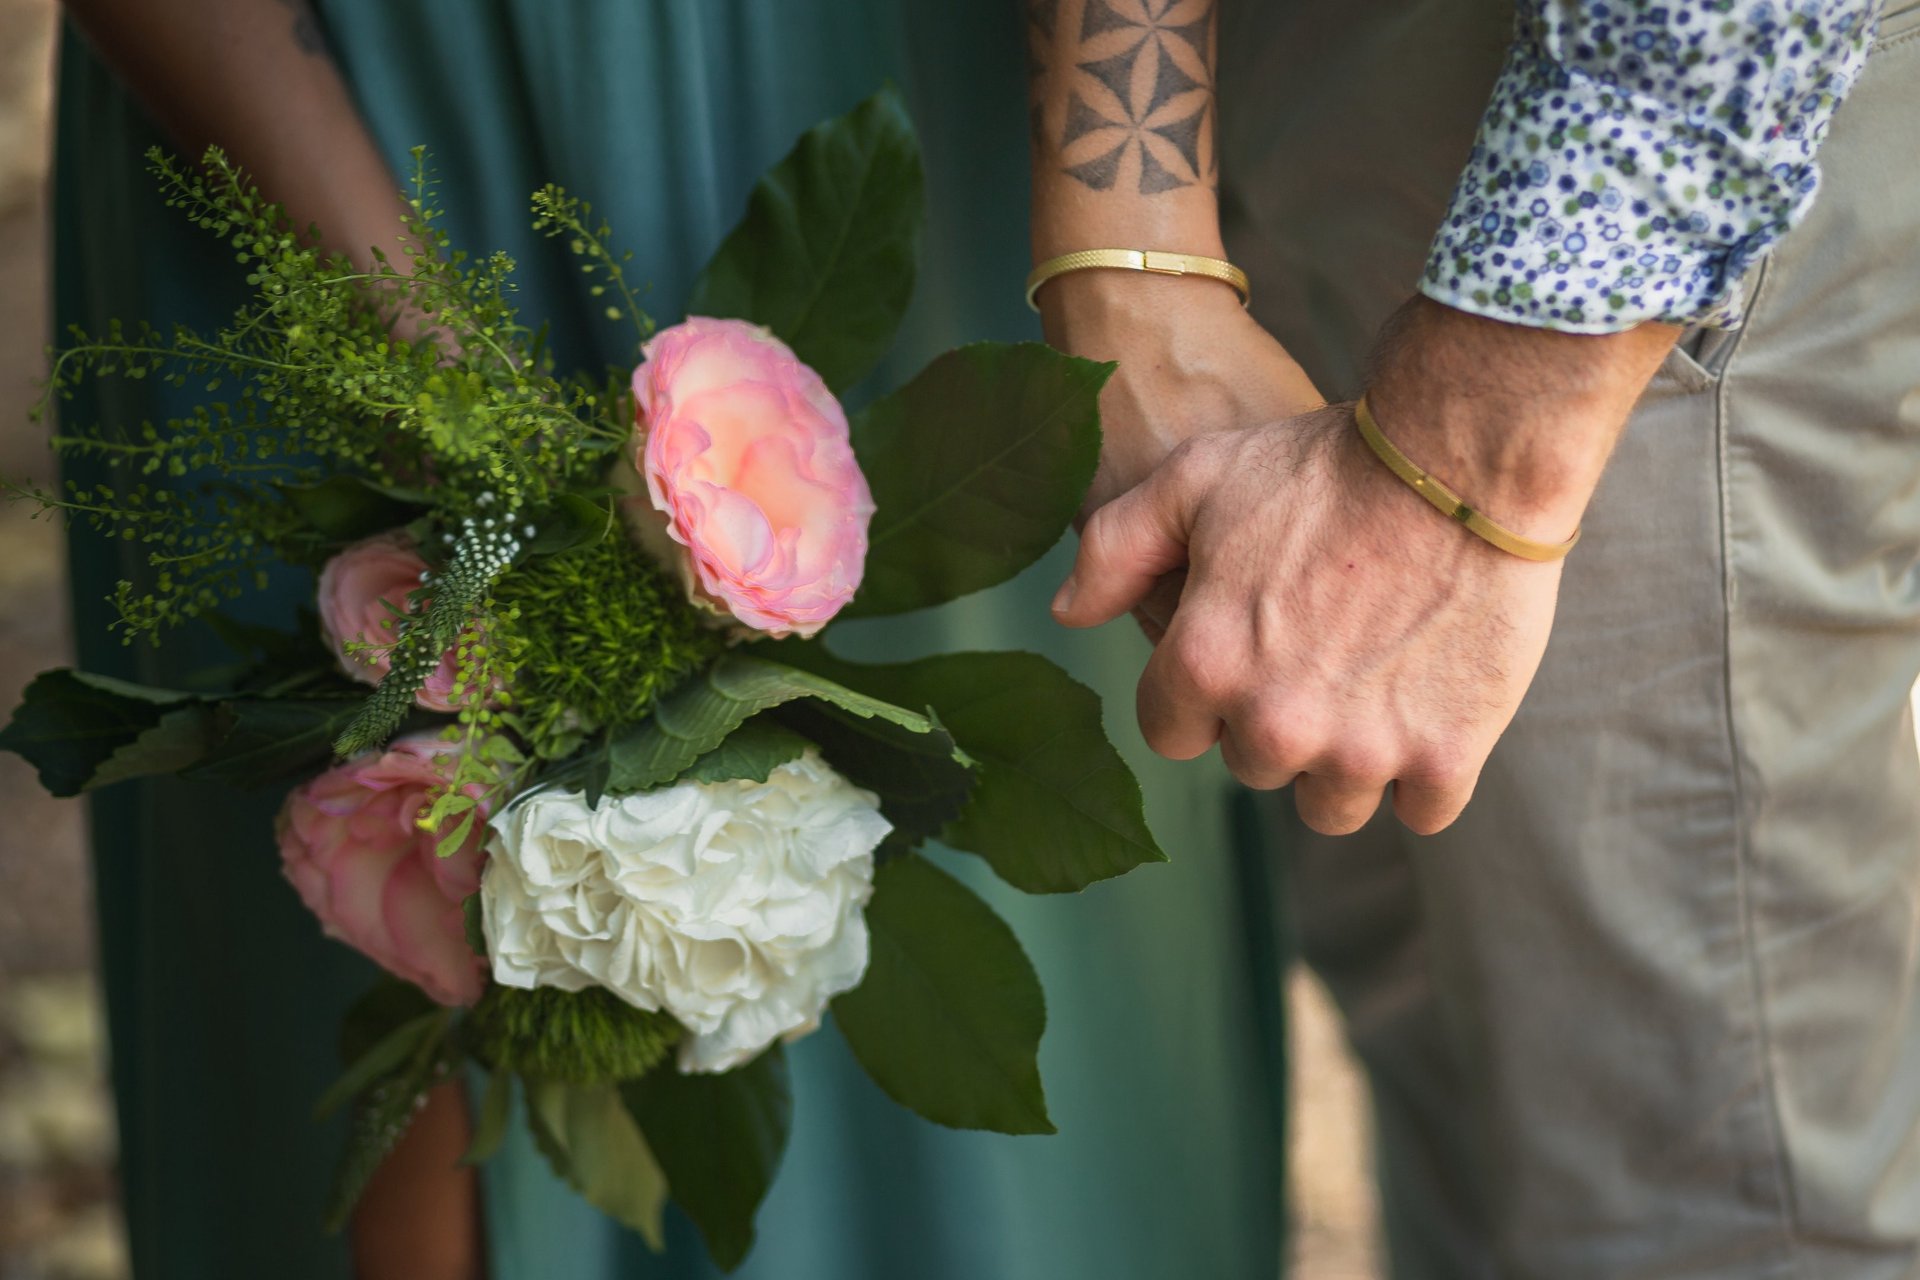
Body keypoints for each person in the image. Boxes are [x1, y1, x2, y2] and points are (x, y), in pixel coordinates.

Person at [51, 3, 1286, 1278]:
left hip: (960, 123)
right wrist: (423, 379)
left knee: (1045, 1107)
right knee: (378, 1038)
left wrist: (1134, 258)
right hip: (316, 120)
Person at [1027, 0, 1920, 1275]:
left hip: (1636, 159)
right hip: (1269, 102)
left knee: (1696, 1189)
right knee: (1444, 1049)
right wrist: (1130, 249)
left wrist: (1483, 426)